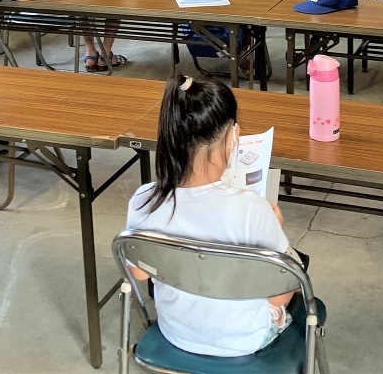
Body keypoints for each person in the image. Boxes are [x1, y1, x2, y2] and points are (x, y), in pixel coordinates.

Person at [125, 75, 299, 357]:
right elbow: (285, 277)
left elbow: (139, 273)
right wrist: (275, 226)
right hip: (243, 338)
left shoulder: (144, 200)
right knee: (291, 267)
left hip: (177, 332)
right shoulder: (250, 209)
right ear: (233, 136)